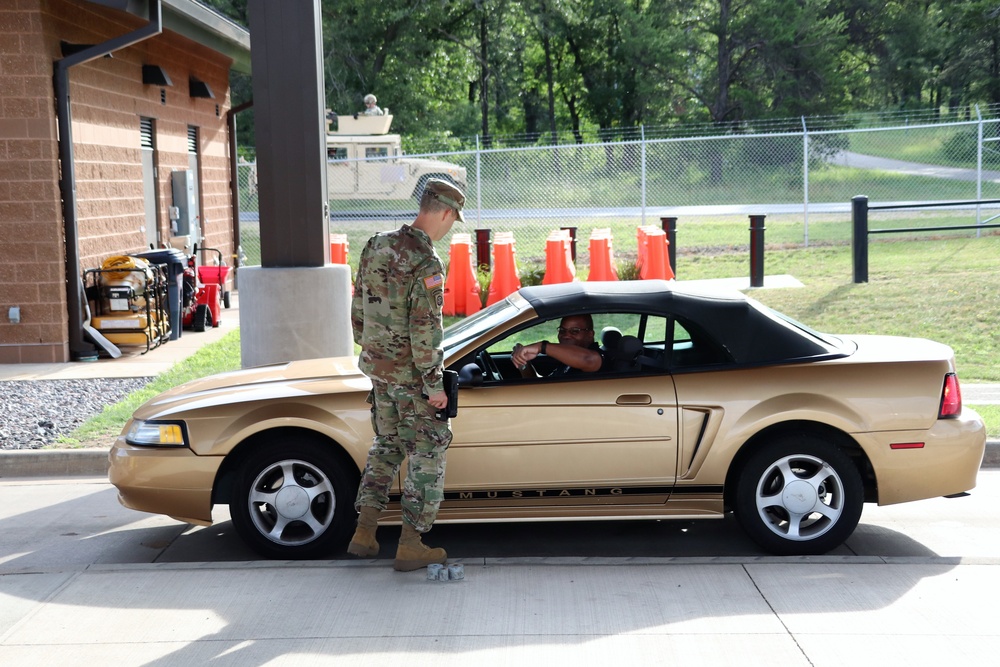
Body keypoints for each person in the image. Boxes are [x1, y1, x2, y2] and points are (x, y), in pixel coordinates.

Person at [348, 178, 466, 572]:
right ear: (446, 212)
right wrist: (435, 388)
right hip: (413, 380)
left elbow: (359, 307)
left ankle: (364, 534)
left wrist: (372, 353)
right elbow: (426, 330)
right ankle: (411, 544)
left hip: (379, 372)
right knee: (426, 453)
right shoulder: (426, 262)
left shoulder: (376, 244)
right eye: (454, 219)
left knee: (387, 446)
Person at [511, 314, 604, 375]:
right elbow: (543, 387)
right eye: (562, 330)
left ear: (590, 334)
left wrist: (541, 347)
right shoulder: (567, 358)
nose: (566, 335)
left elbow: (588, 359)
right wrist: (523, 363)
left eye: (575, 331)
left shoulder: (598, 357)